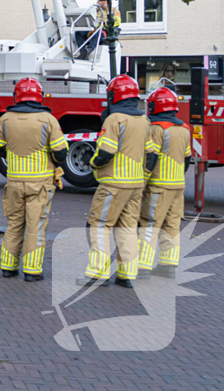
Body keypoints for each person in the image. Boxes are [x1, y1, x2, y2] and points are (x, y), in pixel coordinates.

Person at [77, 74, 153, 289]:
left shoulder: (114, 119)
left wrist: (93, 163)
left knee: (99, 225)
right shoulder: (144, 119)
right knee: (128, 228)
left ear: (113, 95)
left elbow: (106, 152)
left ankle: (98, 274)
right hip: (136, 184)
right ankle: (127, 274)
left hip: (113, 184)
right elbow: (151, 153)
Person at [0, 77, 68, 282]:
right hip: (40, 183)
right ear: (39, 97)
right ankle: (32, 271)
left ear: (16, 96)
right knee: (35, 226)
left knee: (14, 224)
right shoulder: (48, 120)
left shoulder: (5, 119)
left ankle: (8, 267)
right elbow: (61, 152)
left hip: (14, 182)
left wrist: (12, 155)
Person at [138, 87, 191, 280]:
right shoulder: (184, 128)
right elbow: (187, 159)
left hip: (158, 185)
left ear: (154, 106)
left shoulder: (156, 128)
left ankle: (142, 266)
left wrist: (142, 182)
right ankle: (168, 265)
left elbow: (150, 157)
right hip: (178, 185)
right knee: (172, 224)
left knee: (149, 223)